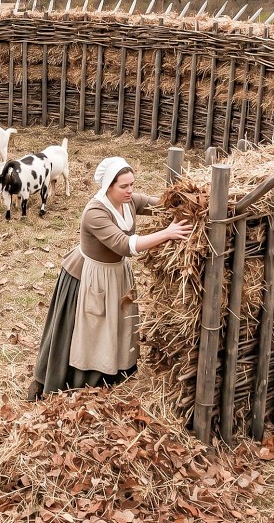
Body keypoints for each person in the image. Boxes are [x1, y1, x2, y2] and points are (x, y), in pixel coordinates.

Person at [27, 156, 194, 400]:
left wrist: (187, 202)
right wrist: (167, 233)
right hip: (88, 276)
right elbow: (123, 245)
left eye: (132, 184)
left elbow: (158, 204)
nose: (130, 190)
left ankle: (108, 374)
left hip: (115, 273)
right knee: (84, 328)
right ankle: (61, 378)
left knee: (113, 324)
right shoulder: (95, 212)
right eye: (123, 186)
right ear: (108, 186)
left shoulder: (129, 202)